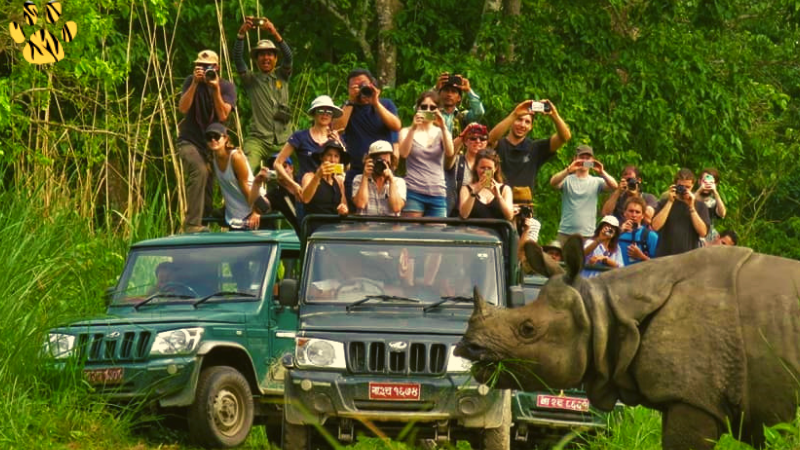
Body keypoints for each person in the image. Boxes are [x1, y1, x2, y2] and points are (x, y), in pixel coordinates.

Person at [176, 49, 237, 233]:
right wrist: (195, 83)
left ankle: (208, 219)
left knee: (216, 180)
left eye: (206, 66)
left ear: (216, 67)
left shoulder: (226, 87)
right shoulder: (190, 81)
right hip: (189, 140)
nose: (202, 70)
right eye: (199, 66)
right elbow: (183, 109)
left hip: (212, 143)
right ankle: (192, 224)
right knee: (200, 170)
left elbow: (223, 115)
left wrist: (215, 88)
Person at [233, 17, 293, 171]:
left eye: (270, 54)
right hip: (258, 139)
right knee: (244, 171)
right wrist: (241, 34)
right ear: (256, 59)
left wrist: (274, 32)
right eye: (261, 55)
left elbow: (289, 57)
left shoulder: (282, 75)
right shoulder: (251, 80)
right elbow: (238, 59)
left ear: (275, 58)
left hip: (283, 140)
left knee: (285, 177)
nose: (266, 58)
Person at [333, 68, 402, 200]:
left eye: (363, 84)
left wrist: (375, 102)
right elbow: (337, 128)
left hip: (383, 169)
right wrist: (351, 101)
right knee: (356, 213)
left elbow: (396, 126)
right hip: (357, 170)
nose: (361, 89)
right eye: (356, 86)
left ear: (372, 84)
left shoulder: (385, 104)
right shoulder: (347, 107)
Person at [487, 100, 572, 199]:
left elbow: (565, 137)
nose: (522, 125)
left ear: (531, 126)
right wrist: (515, 114)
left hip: (523, 207)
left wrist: (554, 114)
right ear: (511, 121)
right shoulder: (499, 145)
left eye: (527, 122)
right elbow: (489, 140)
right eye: (519, 119)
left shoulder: (535, 148)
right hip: (497, 202)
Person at [399, 91, 455, 217]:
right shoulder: (406, 131)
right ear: (417, 108)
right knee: (411, 232)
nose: (428, 110)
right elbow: (403, 154)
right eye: (424, 107)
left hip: (437, 192)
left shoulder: (441, 132)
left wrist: (443, 126)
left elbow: (450, 152)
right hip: (414, 190)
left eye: (432, 108)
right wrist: (413, 128)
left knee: (436, 234)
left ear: (438, 110)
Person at [273, 95, 343, 194]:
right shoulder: (300, 136)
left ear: (332, 116)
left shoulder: (335, 139)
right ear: (314, 114)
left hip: (330, 193)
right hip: (306, 191)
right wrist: (293, 184)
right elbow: (278, 163)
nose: (325, 114)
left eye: (329, 112)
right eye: (320, 111)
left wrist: (339, 144)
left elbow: (345, 167)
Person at [549, 145, 618, 243]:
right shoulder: (567, 180)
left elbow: (614, 186)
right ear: (575, 159)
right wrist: (569, 169)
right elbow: (553, 183)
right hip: (565, 233)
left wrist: (602, 172)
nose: (584, 161)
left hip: (588, 234)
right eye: (581, 158)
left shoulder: (596, 181)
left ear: (592, 160)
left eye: (587, 158)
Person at [207, 123, 264, 229]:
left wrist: (256, 211)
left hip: (253, 206)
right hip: (235, 215)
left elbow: (246, 186)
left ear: (225, 138)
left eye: (216, 136)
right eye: (209, 137)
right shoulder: (212, 159)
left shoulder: (235, 158)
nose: (213, 140)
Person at [651, 168, 711, 257]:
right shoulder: (664, 202)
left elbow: (703, 233)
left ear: (692, 185)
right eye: (681, 186)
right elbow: (655, 226)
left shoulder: (700, 206)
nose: (684, 190)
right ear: (675, 185)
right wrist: (670, 202)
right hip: (665, 258)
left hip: (688, 259)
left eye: (687, 187)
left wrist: (692, 207)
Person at [352, 140, 407, 216]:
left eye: (386, 162)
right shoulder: (359, 179)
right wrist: (365, 177)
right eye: (380, 162)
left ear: (391, 161)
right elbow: (361, 204)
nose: (383, 165)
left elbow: (396, 208)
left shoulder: (398, 182)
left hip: (389, 227)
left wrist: (391, 181)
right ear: (370, 161)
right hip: (366, 226)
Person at [445, 122, 487, 216]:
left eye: (482, 138)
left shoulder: (489, 165)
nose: (478, 141)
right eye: (473, 138)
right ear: (465, 141)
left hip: (480, 215)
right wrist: (463, 134)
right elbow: (449, 155)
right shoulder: (457, 161)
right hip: (456, 216)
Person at [251, 155, 301, 234]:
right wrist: (256, 183)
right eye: (275, 168)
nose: (280, 171)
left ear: (291, 168)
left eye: (284, 166)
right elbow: (260, 208)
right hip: (304, 236)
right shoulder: (276, 194)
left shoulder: (303, 180)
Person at [459, 150, 514, 220]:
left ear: (495, 169)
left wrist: (499, 197)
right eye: (482, 168)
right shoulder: (466, 189)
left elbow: (509, 216)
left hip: (497, 230)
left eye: (489, 168)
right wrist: (474, 193)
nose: (485, 171)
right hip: (473, 229)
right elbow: (464, 215)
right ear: (476, 168)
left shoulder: (505, 189)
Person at [300, 140, 349, 216]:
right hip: (315, 223)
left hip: (334, 224)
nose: (332, 160)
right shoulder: (309, 176)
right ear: (321, 157)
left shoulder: (339, 181)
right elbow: (305, 199)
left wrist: (343, 209)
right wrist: (318, 176)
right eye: (329, 155)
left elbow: (344, 205)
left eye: (336, 156)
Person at [618, 196, 659, 265]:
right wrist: (619, 232)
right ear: (624, 213)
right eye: (631, 211)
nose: (634, 215)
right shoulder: (615, 233)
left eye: (637, 212)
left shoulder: (650, 236)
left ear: (643, 215)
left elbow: (658, 264)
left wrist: (641, 256)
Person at [696, 168, 727, 244]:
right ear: (699, 181)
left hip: (707, 240)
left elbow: (722, 213)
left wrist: (715, 192)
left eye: (710, 182)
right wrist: (700, 190)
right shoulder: (692, 196)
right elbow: (687, 203)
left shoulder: (713, 202)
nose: (707, 184)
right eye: (705, 181)